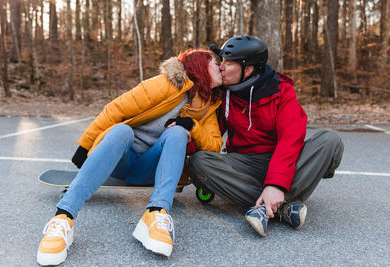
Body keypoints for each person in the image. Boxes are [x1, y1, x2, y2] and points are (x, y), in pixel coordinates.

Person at [37, 49, 223, 265]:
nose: (219, 66)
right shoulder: (165, 85)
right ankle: (63, 217)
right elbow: (116, 109)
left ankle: (155, 214)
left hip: (149, 168)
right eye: (214, 63)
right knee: (121, 130)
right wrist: (85, 145)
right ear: (200, 67)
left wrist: (193, 126)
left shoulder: (208, 106)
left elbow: (214, 146)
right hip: (122, 158)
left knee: (178, 132)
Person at [189, 36, 344, 237]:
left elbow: (291, 139)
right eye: (222, 60)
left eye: (229, 62)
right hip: (244, 162)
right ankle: (282, 206)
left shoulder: (281, 90)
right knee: (199, 162)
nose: (222, 67)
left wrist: (276, 184)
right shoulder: (223, 92)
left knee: (330, 140)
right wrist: (185, 133)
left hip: (281, 158)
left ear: (248, 69)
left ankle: (268, 203)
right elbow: (210, 135)